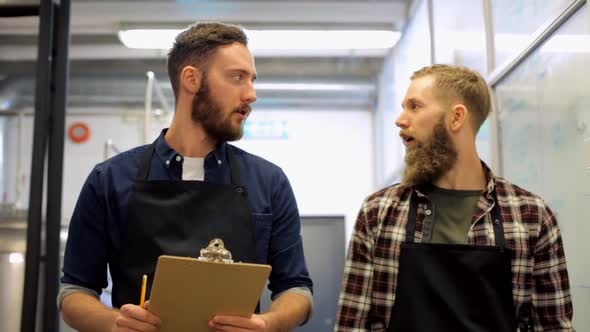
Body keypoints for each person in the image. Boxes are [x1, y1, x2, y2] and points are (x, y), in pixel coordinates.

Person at [59, 22, 313, 332]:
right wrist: (114, 323)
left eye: (252, 80)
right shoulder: (110, 179)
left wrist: (267, 323)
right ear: (191, 79)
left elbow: (297, 289)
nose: (251, 94)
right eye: (237, 77)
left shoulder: (269, 182)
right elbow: (74, 291)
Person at [335, 64, 574, 331]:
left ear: (456, 117)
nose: (400, 120)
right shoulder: (379, 213)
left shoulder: (531, 216)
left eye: (415, 106)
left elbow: (554, 327)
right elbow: (351, 326)